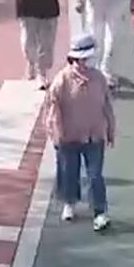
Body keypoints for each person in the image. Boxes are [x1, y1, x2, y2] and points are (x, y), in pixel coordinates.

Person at [44, 34, 116, 232]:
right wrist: (55, 132)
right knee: (69, 173)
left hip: (95, 136)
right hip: (69, 136)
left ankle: (100, 212)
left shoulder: (99, 79)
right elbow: (52, 109)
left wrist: (110, 129)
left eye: (88, 60)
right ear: (73, 60)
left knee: (95, 176)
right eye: (81, 60)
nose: (85, 65)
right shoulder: (61, 81)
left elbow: (107, 106)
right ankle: (70, 202)